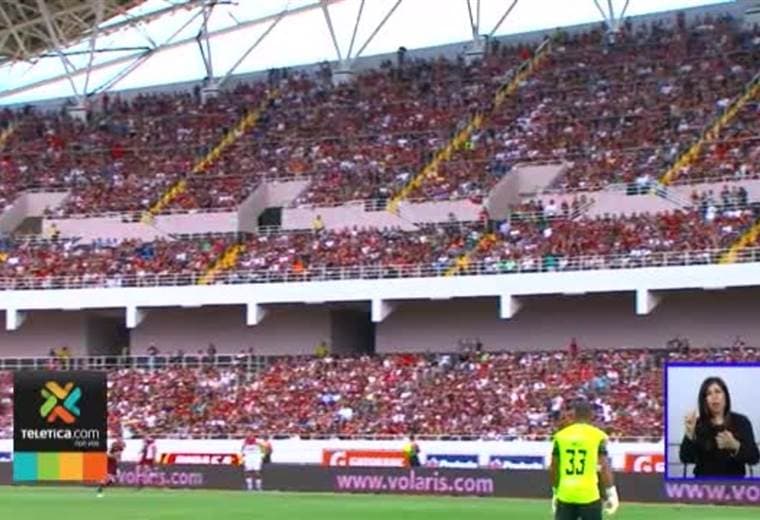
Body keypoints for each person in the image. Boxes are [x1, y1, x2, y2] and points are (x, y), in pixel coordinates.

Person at [550, 399, 619, 520]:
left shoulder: (560, 436)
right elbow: (603, 466)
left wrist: (555, 492)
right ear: (590, 415)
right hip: (589, 494)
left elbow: (554, 467)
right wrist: (611, 493)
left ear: (574, 414)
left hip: (566, 494)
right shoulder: (598, 436)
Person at [679, 376, 759, 478]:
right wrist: (689, 434)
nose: (714, 396)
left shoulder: (742, 421)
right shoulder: (698, 423)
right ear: (704, 400)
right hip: (704, 486)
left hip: (735, 486)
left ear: (725, 396)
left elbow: (754, 458)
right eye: (709, 394)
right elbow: (686, 458)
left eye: (718, 391)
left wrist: (735, 445)